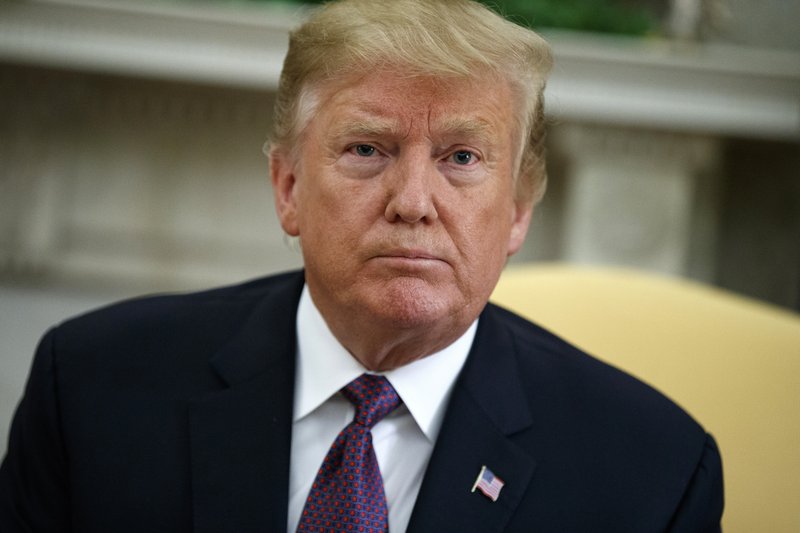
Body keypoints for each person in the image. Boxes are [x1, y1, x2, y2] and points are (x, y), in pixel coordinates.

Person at [0, 0, 723, 531]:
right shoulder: (93, 386)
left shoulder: (653, 474)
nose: (413, 202)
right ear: (288, 188)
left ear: (517, 211)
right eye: (367, 149)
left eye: (462, 157)